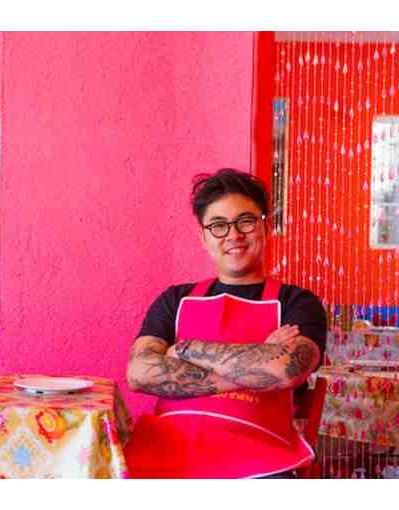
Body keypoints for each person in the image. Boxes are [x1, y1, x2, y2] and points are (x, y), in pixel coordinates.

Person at [124, 168, 327, 479]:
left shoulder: (298, 302)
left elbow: (286, 370)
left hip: (261, 454)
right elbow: (140, 374)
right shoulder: (174, 299)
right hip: (167, 446)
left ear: (265, 227)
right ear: (204, 238)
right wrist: (258, 365)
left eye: (245, 221)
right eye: (218, 225)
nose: (233, 235)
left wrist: (182, 350)